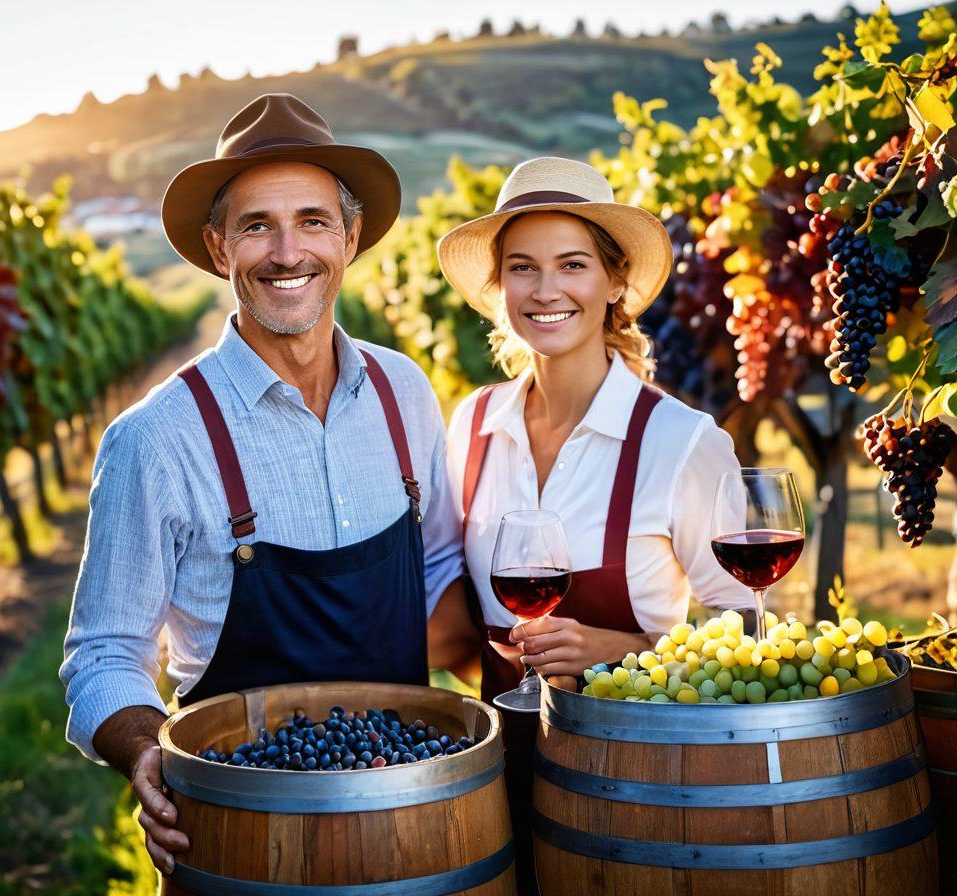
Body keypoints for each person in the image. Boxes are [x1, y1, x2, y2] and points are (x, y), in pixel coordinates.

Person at [59, 93, 464, 879]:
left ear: (349, 238)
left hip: (413, 822)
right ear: (218, 248)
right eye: (256, 226)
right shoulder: (155, 439)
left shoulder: (405, 392)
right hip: (240, 841)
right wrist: (145, 751)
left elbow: (440, 568)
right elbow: (104, 650)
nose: (288, 252)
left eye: (313, 221)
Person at [429, 156, 752, 892]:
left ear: (614, 284)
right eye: (522, 268)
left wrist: (625, 649)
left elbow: (748, 628)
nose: (545, 291)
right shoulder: (472, 423)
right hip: (490, 782)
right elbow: (447, 605)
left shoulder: (684, 442)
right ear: (499, 288)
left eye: (572, 265)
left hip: (638, 789)